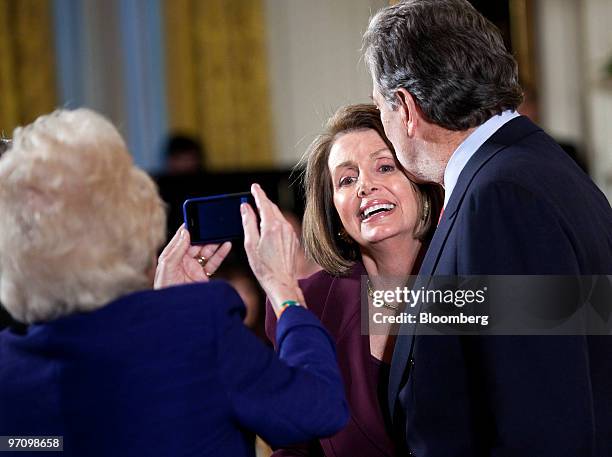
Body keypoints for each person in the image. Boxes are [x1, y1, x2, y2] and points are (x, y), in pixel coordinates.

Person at [0, 109, 348, 457]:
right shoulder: (198, 327)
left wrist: (162, 307)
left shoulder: (9, 365)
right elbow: (319, 408)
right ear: (129, 216)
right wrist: (284, 290)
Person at [362, 1, 612, 456]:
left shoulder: (502, 196)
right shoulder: (526, 167)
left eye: (381, 108)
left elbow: (541, 421)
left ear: (406, 108)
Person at [265, 104, 442, 457]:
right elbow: (294, 447)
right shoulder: (306, 305)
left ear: (421, 184)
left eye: (385, 166)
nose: (365, 186)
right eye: (347, 179)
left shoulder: (474, 280)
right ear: (333, 210)